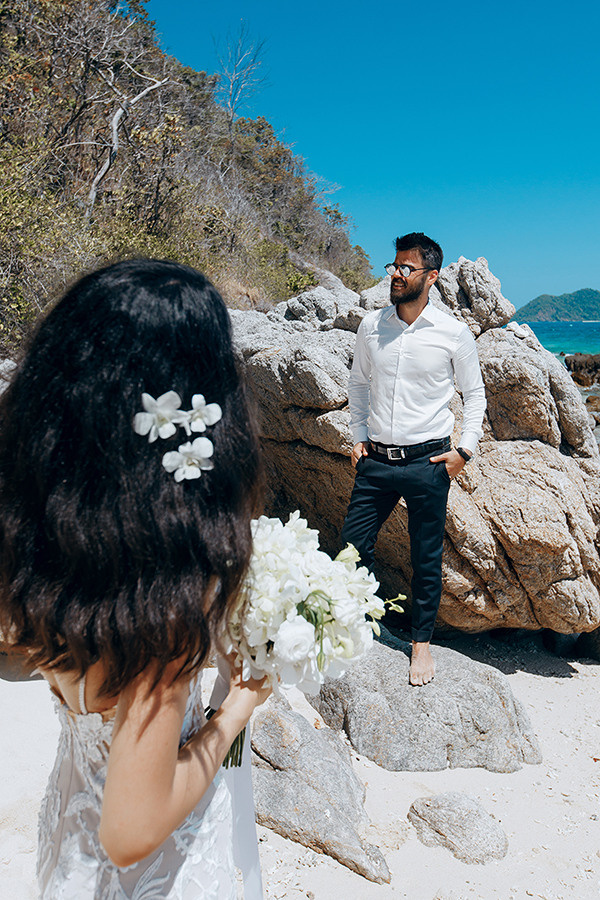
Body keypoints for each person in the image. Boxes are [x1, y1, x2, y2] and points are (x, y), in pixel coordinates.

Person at [0, 259, 271, 898]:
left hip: (68, 847)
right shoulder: (159, 591)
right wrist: (237, 707)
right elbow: (132, 830)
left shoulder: (28, 534)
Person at [341, 233, 486, 686]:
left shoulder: (452, 332)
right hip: (377, 461)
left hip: (429, 462)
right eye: (394, 266)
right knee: (351, 548)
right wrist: (358, 435)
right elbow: (358, 384)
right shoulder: (372, 326)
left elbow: (475, 394)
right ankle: (359, 624)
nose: (397, 275)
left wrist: (464, 450)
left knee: (425, 557)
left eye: (407, 268)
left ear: (432, 276)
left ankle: (420, 645)